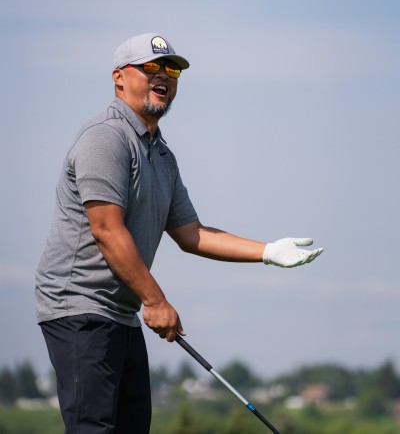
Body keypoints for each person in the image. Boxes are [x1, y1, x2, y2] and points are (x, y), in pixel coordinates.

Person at [35, 32, 323, 433]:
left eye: (172, 70)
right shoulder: (105, 137)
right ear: (119, 77)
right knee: (94, 428)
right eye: (150, 67)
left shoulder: (161, 154)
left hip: (122, 312)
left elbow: (192, 234)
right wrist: (155, 301)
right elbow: (106, 230)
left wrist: (268, 251)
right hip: (79, 306)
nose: (163, 76)